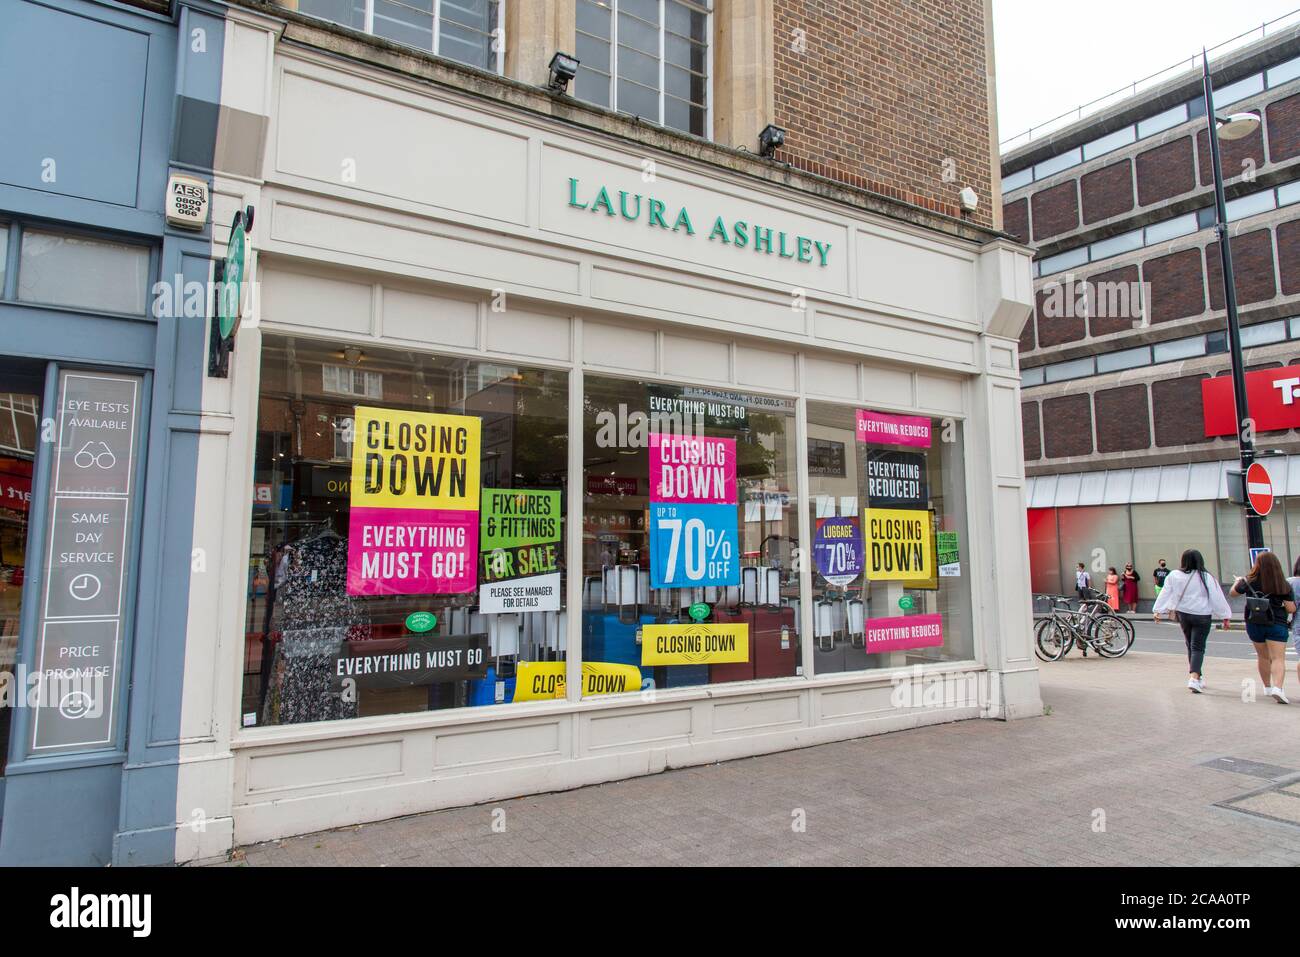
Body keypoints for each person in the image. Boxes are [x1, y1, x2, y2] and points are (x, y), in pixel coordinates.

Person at [1152, 549, 1233, 693]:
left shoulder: (1174, 575)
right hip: (1202, 615)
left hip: (1183, 614)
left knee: (1190, 645)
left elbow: (1166, 592)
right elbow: (1217, 597)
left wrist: (1158, 610)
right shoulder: (1206, 577)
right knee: (1198, 647)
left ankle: (1197, 677)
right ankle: (1194, 678)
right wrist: (1225, 615)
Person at [1231, 551, 1294, 705]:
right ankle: (1278, 688)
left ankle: (1267, 687)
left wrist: (1238, 581)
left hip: (1254, 623)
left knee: (1263, 656)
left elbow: (1232, 593)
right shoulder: (1282, 583)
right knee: (1278, 658)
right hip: (1276, 623)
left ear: (1256, 565)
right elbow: (1291, 608)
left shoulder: (1248, 581)